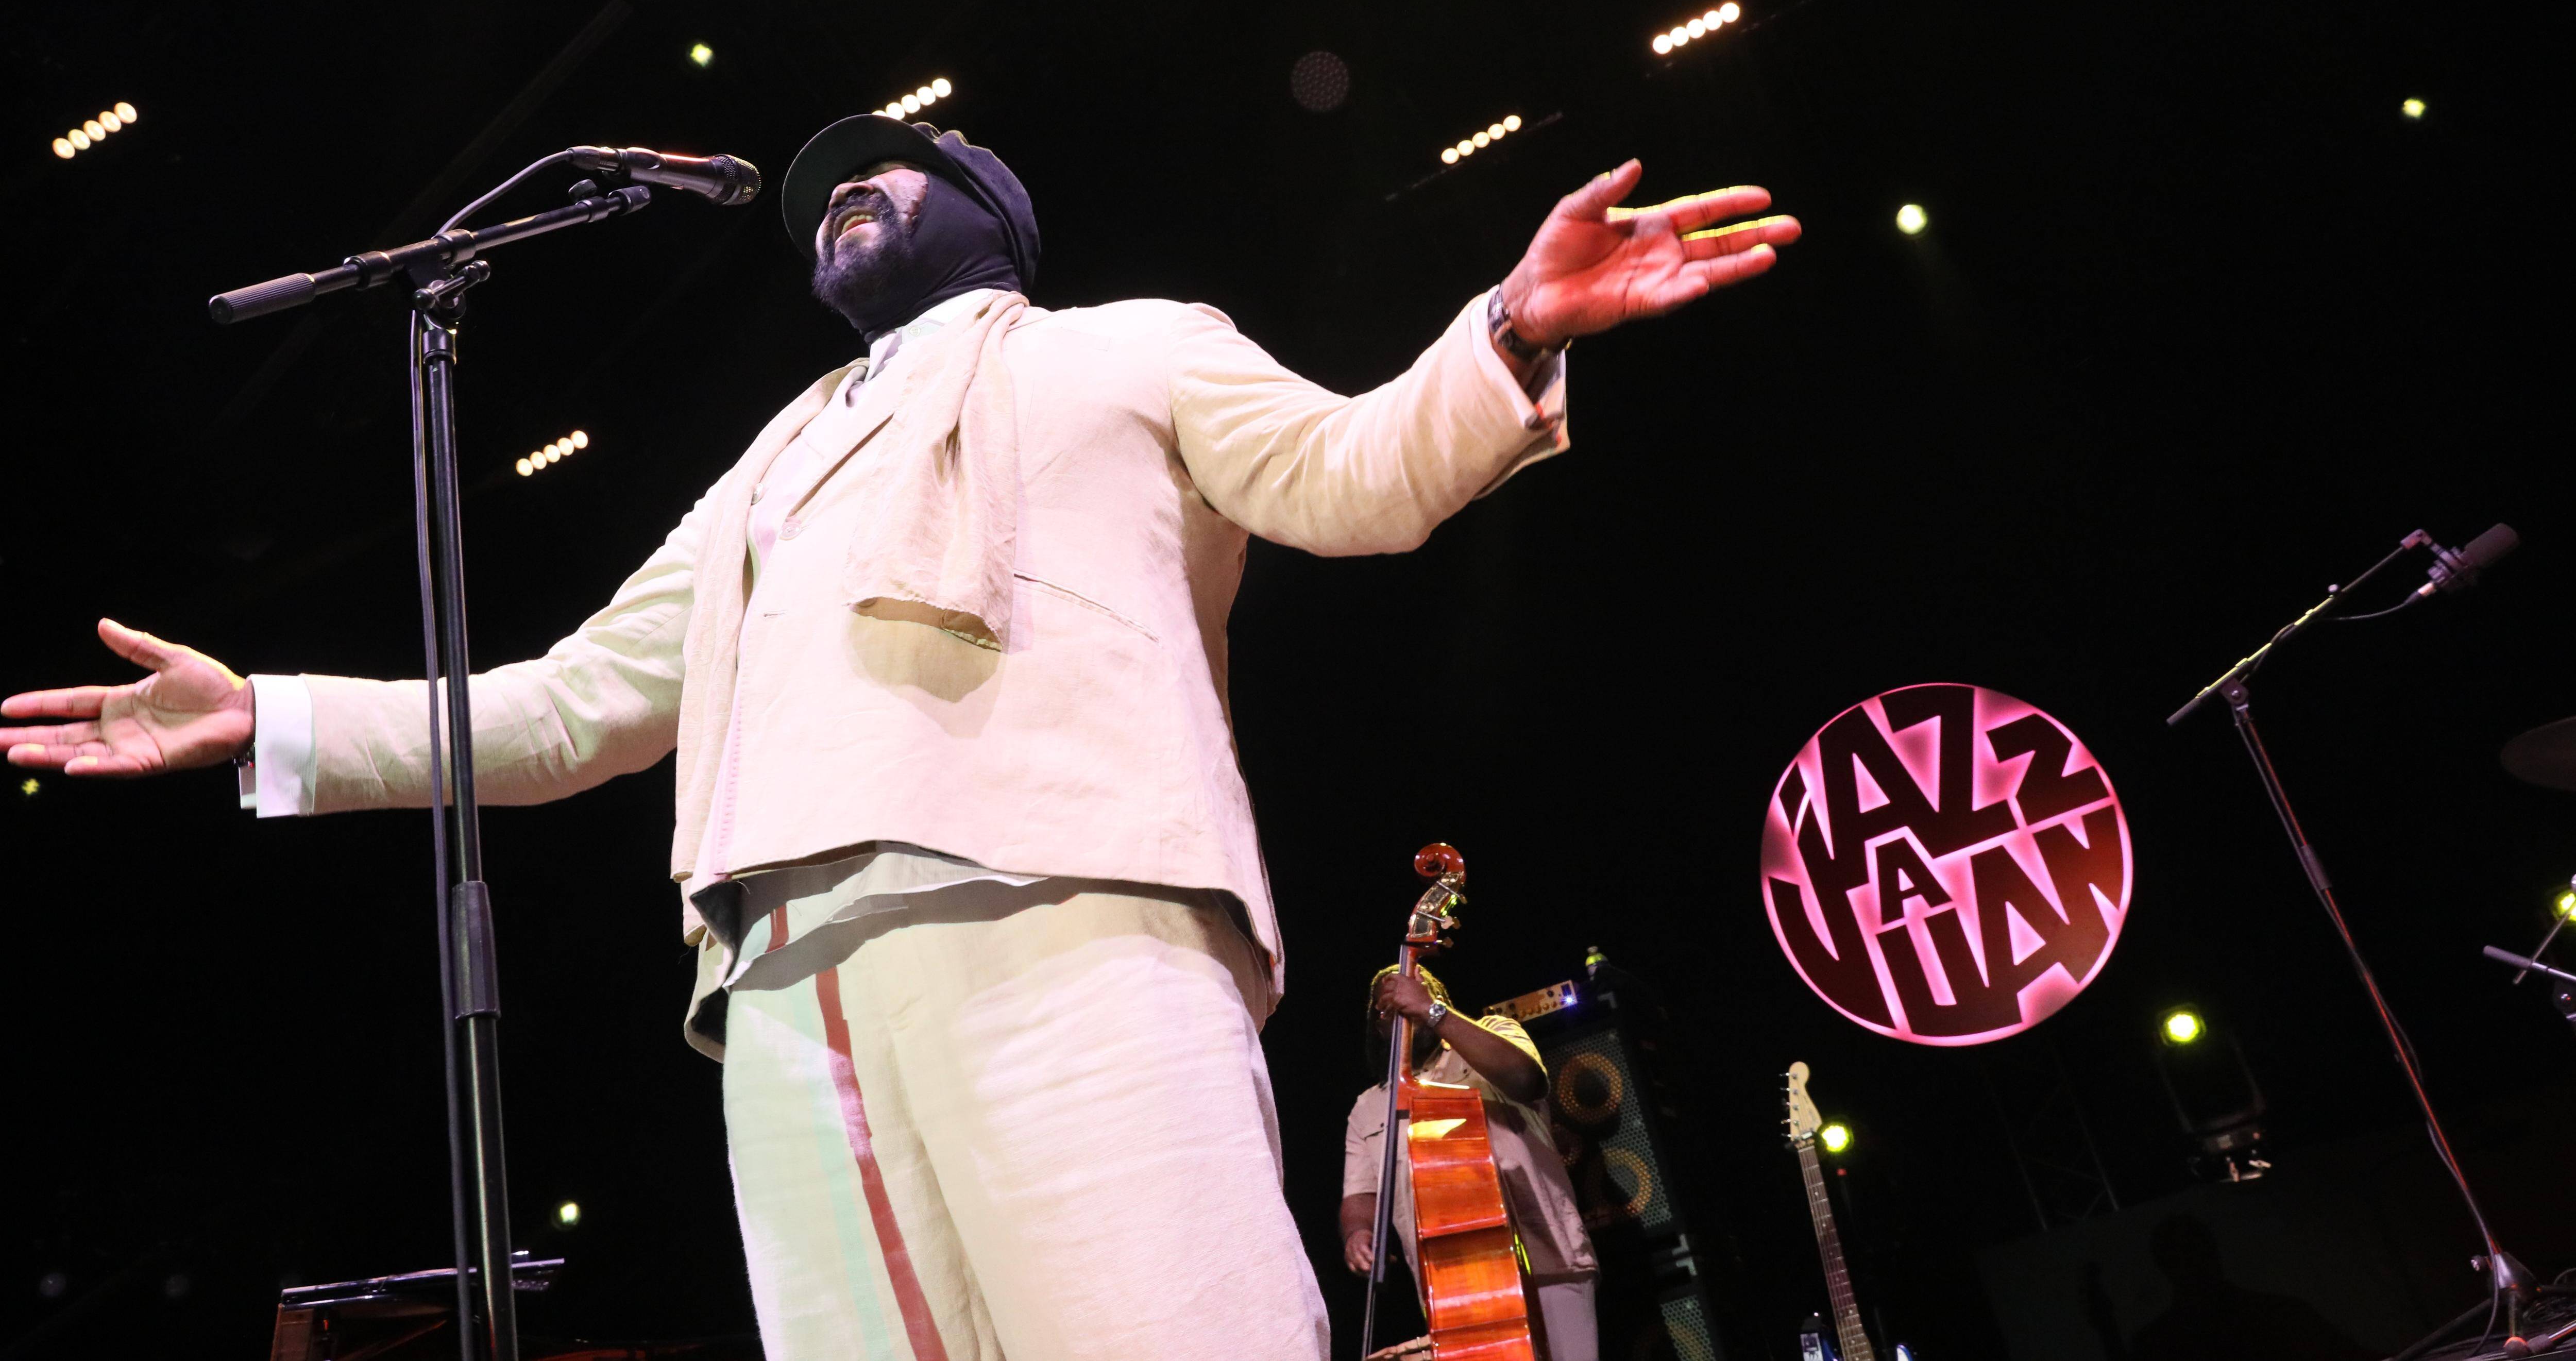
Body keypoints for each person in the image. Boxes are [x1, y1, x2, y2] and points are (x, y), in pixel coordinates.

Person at [2, 111, 1797, 1361]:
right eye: (823, 195)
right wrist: (274, 715)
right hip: (790, 997)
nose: (845, 191)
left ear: (992, 220)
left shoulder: (1130, 345)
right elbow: (568, 706)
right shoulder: (765, 470)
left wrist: (1506, 331)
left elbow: (1353, 473)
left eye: (888, 170)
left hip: (1066, 921)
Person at [1341, 967, 1599, 1361]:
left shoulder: (1492, 1035)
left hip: (1548, 1257)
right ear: (1378, 1026)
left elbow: (1525, 1078)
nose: (1403, 1011)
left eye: (1412, 996)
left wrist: (1432, 1010)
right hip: (1453, 1286)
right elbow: (1360, 1193)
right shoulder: (1369, 1106)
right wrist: (1358, 1234)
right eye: (1388, 1008)